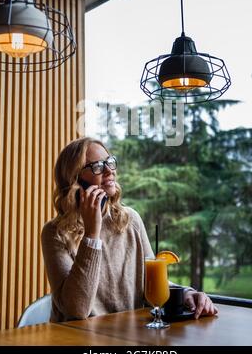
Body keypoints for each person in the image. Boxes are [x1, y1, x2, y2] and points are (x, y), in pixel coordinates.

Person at [41, 137, 218, 322]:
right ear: (75, 179)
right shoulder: (55, 233)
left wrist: (186, 294)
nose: (109, 171)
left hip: (128, 336)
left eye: (109, 162)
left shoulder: (129, 219)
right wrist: (92, 235)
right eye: (97, 166)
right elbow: (76, 309)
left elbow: (151, 284)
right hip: (76, 339)